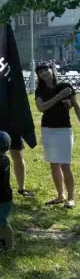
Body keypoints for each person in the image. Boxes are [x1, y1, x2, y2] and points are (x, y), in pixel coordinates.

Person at [34, 63, 79, 208]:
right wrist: (59, 97)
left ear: (51, 70)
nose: (43, 73)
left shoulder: (65, 85)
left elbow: (75, 106)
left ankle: (71, 198)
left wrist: (68, 102)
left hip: (64, 130)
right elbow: (41, 107)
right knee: (54, 164)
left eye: (45, 70)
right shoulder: (39, 90)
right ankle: (60, 196)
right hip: (48, 129)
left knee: (65, 165)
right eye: (40, 72)